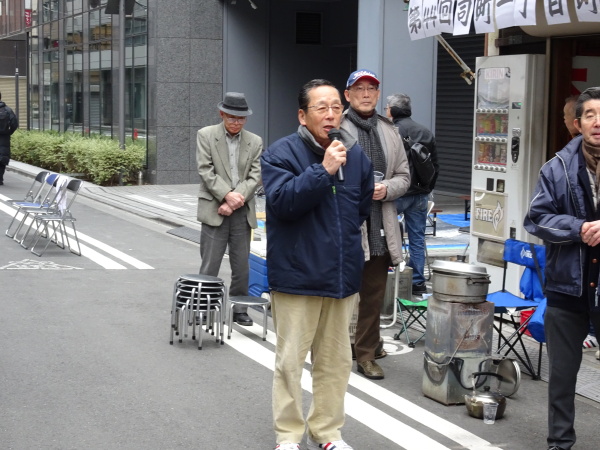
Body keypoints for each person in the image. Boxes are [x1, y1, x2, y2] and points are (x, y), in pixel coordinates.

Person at [261, 79, 373, 450]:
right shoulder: (281, 153)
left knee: (335, 363)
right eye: (321, 108)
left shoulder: (355, 155)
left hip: (341, 277)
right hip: (297, 276)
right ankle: (289, 436)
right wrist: (322, 171)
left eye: (336, 108)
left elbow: (360, 210)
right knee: (290, 363)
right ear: (302, 115)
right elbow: (282, 204)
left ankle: (327, 433)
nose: (331, 115)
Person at [524, 86, 600, 450]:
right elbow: (536, 219)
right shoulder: (556, 169)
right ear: (577, 123)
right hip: (566, 287)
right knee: (562, 378)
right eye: (590, 115)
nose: (598, 122)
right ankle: (559, 444)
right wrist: (579, 228)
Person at [340, 70, 410, 380]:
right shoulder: (335, 127)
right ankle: (337, 348)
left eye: (372, 88)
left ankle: (366, 353)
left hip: (380, 222)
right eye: (360, 89)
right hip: (346, 224)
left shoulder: (390, 130)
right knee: (340, 293)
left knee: (372, 294)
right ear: (348, 95)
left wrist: (387, 189)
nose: (366, 94)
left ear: (378, 95)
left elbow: (405, 177)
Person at [196, 92, 262, 326]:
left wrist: (235, 200)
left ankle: (240, 309)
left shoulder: (255, 141)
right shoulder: (206, 135)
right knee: (210, 264)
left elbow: (256, 176)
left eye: (241, 118)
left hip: (241, 212)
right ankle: (203, 307)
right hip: (214, 209)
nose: (236, 122)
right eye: (232, 117)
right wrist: (226, 196)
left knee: (242, 266)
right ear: (222, 113)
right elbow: (206, 171)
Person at [386, 93, 439, 295]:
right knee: (417, 238)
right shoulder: (425, 131)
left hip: (396, 194)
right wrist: (427, 188)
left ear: (391, 110)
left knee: (385, 233)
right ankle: (417, 282)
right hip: (420, 194)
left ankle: (389, 276)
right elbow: (435, 165)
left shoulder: (390, 132)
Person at [0, 92, 19, 186]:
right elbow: (15, 123)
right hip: (4, 137)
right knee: (2, 157)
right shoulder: (7, 110)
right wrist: (8, 132)